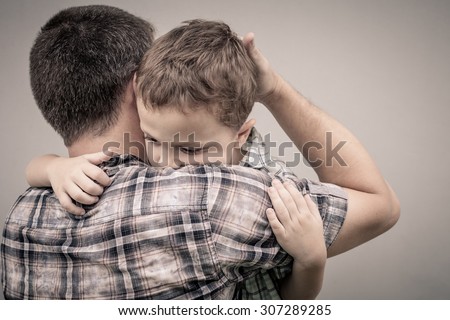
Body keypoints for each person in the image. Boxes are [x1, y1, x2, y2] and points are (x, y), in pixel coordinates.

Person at [1, 5, 400, 300]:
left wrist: (51, 167)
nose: (170, 163)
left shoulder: (18, 220)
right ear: (137, 90)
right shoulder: (218, 199)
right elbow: (379, 205)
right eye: (158, 142)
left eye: (189, 148)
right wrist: (275, 89)